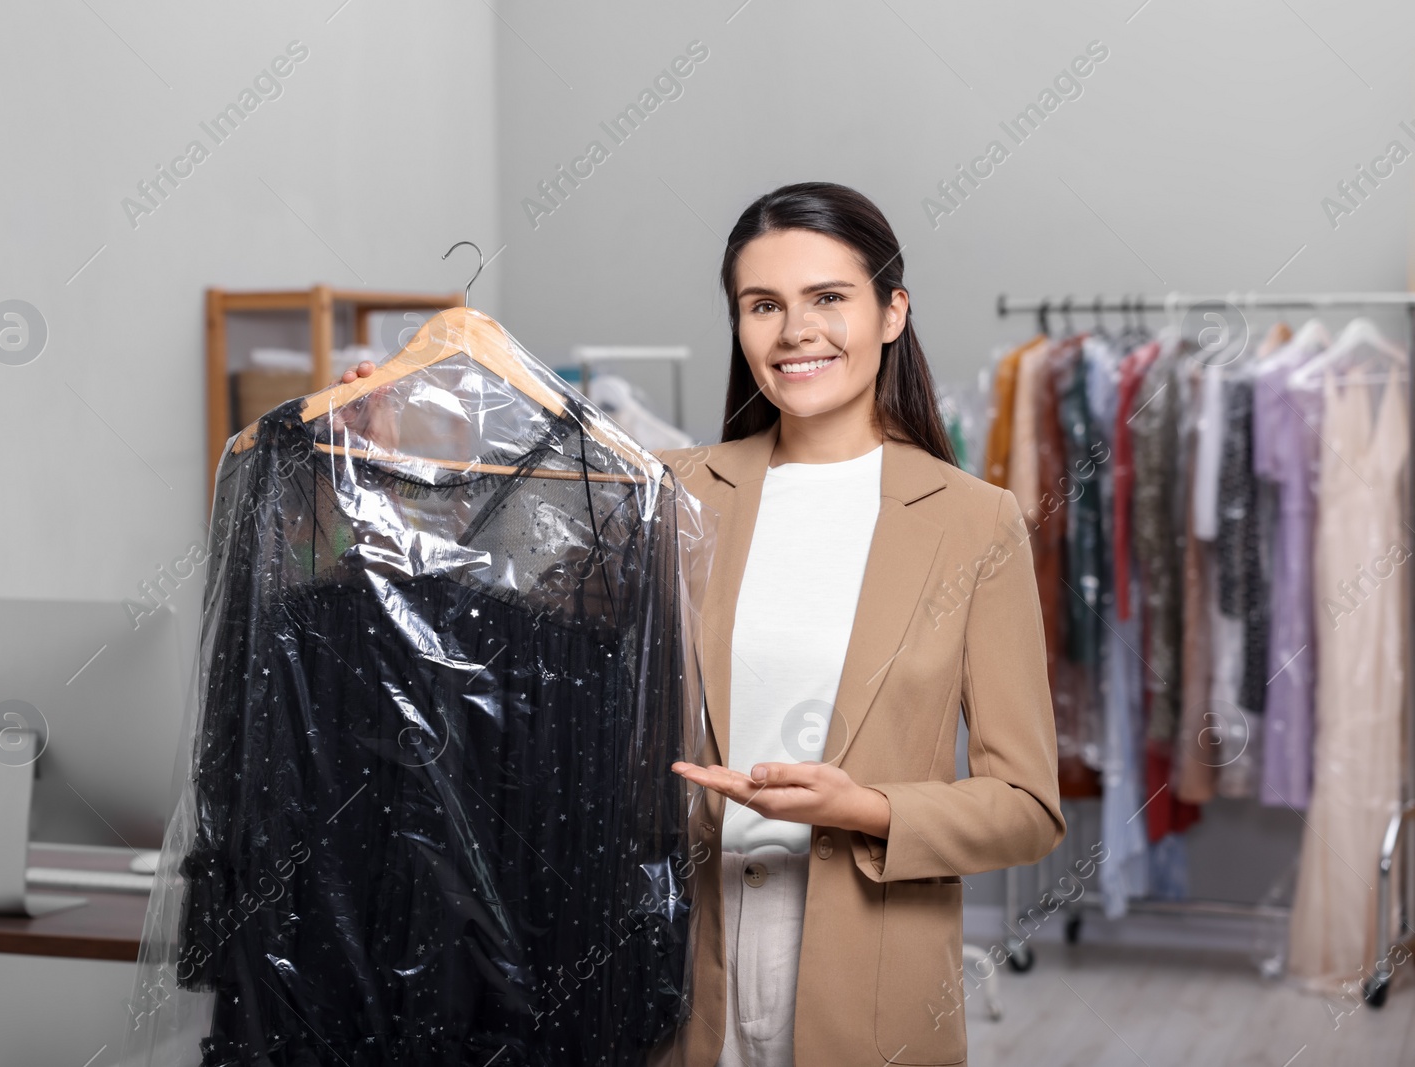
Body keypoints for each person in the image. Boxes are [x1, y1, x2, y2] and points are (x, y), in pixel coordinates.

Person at [341, 181, 1065, 1067]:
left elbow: (1026, 807)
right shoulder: (665, 490)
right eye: (764, 305)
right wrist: (386, 452)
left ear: (891, 311)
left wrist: (867, 807)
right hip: (679, 968)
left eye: (828, 297)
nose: (795, 331)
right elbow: (492, 613)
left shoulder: (974, 521)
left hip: (872, 987)